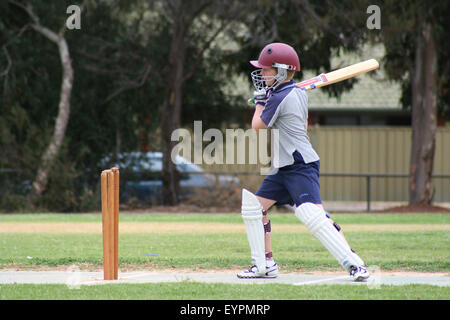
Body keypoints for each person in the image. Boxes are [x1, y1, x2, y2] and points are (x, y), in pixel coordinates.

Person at [237, 42, 369, 282]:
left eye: (266, 70)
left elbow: (257, 126)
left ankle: (354, 263)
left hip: (299, 166)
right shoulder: (290, 92)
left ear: (280, 70)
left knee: (313, 216)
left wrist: (259, 102)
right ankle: (265, 264)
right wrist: (267, 97)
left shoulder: (281, 96)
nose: (262, 74)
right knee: (255, 209)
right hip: (283, 167)